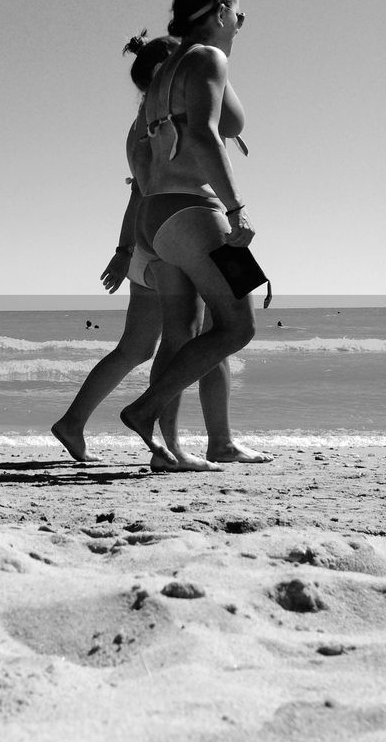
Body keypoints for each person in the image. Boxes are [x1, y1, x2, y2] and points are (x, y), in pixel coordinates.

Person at [52, 31, 270, 467]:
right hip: (192, 221)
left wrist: (124, 249)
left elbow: (140, 194)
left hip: (153, 232)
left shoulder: (144, 124)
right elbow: (223, 127)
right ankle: (172, 442)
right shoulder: (177, 112)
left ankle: (207, 440)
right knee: (201, 333)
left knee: (174, 340)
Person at [119, 0, 265, 464]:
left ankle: (175, 446)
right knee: (237, 326)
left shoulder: (170, 67)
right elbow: (203, 135)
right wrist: (236, 207)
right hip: (195, 211)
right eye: (237, 12)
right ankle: (145, 412)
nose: (240, 21)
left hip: (160, 215)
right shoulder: (206, 57)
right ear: (219, 12)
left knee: (189, 330)